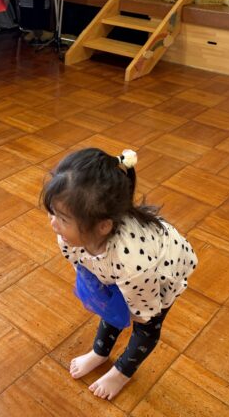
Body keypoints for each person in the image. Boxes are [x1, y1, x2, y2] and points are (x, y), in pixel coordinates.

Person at [42, 148, 198, 400]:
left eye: (62, 219)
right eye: (52, 213)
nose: (53, 224)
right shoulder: (69, 236)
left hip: (158, 274)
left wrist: (129, 310)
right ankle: (100, 352)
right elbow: (83, 267)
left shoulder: (132, 264)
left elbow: (144, 311)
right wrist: (106, 295)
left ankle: (122, 372)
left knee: (145, 328)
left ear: (102, 226)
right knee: (112, 309)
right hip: (120, 272)